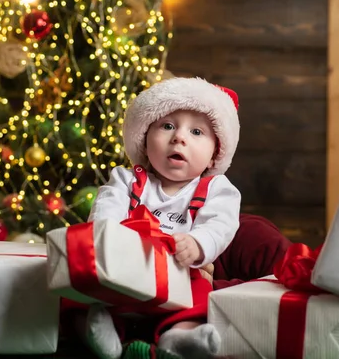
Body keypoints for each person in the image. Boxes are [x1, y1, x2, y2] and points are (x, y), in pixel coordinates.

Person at [75, 77, 242, 359]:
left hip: (177, 273)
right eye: (167, 126)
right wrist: (108, 239)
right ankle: (102, 333)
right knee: (80, 295)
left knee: (200, 294)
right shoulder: (127, 180)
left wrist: (198, 244)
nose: (179, 137)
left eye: (197, 132)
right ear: (144, 138)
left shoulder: (216, 189)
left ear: (215, 154)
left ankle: (179, 336)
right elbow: (106, 210)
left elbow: (221, 224)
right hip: (124, 271)